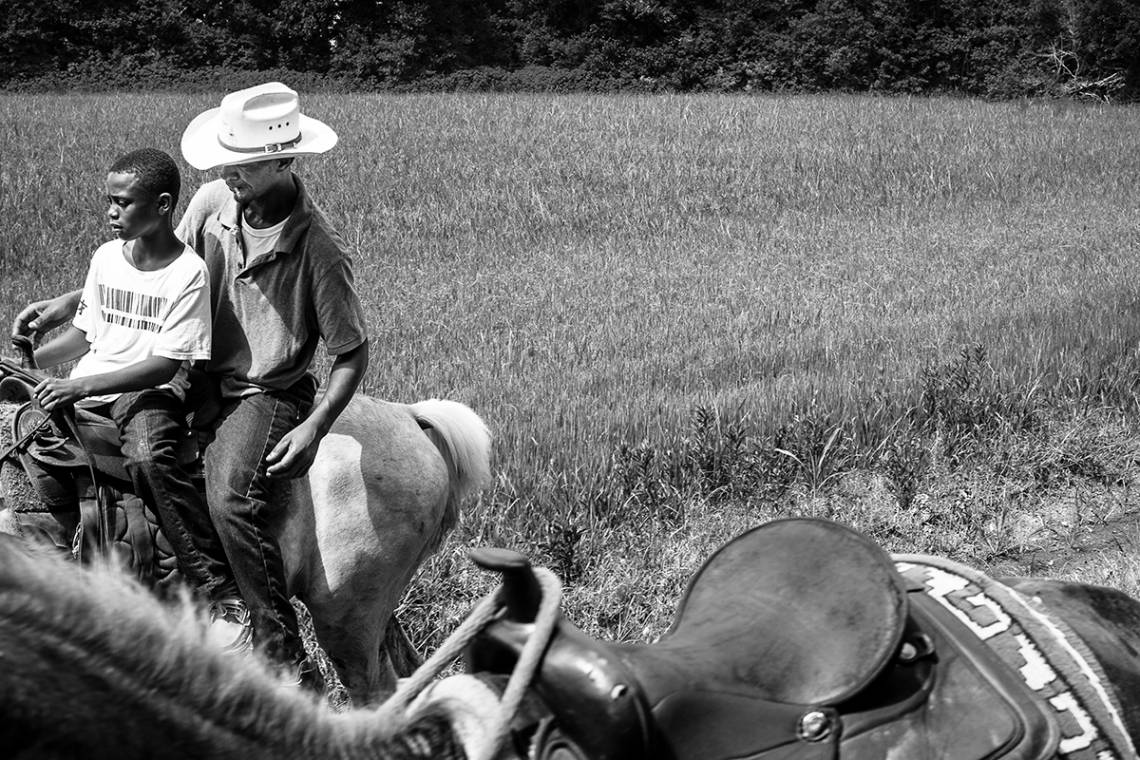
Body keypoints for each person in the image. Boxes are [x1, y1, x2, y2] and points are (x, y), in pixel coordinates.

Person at [13, 83, 370, 686]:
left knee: (230, 493)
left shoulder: (319, 250)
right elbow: (154, 259)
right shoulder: (213, 199)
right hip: (192, 371)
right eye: (227, 161)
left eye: (246, 166)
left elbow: (352, 353)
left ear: (285, 161)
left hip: (260, 391)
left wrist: (314, 427)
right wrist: (71, 302)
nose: (231, 174)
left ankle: (275, 648)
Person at [24, 148, 249, 650]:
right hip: (89, 383)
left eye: (123, 203)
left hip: (145, 394)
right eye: (109, 201)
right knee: (20, 438)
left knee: (150, 458)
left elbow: (166, 364)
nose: (111, 212)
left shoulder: (187, 273)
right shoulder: (105, 258)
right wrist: (33, 359)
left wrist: (78, 386)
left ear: (163, 204)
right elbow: (86, 336)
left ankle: (219, 590)